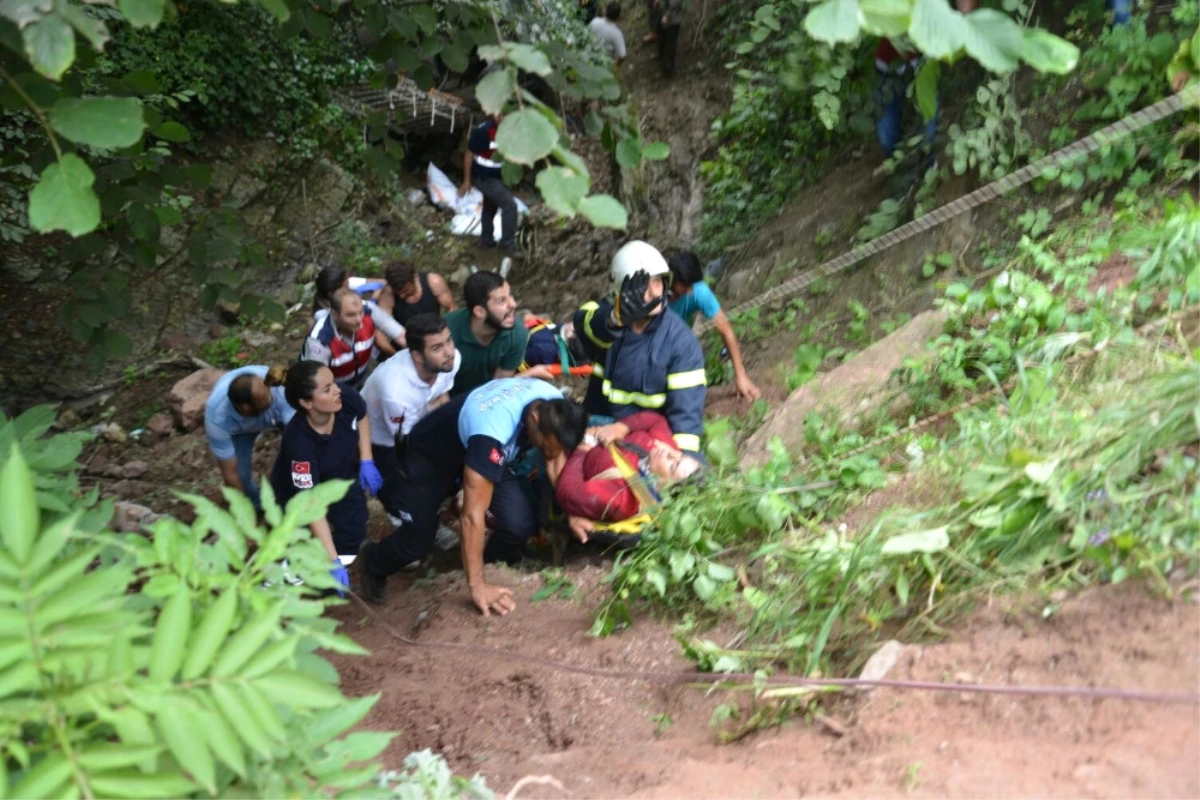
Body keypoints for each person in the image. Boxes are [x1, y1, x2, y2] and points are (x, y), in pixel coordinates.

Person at [357, 378, 589, 615]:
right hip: (429, 460)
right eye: (546, 445)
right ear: (535, 419)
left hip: (485, 453)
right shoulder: (492, 432)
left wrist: (573, 511)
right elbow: (472, 516)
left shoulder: (555, 406)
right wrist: (477, 587)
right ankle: (374, 560)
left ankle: (488, 563)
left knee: (519, 524)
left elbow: (554, 457)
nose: (549, 453)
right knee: (419, 541)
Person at [576, 240, 707, 454]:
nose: (654, 292)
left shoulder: (680, 341)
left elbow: (686, 414)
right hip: (596, 426)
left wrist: (685, 458)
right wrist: (613, 319)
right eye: (643, 286)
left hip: (644, 436)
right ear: (621, 288)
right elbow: (583, 321)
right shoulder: (608, 322)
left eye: (657, 282)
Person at [269, 361, 384, 593]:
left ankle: (331, 571)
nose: (337, 390)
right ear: (306, 402)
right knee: (298, 538)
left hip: (341, 477)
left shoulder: (344, 398)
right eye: (326, 389)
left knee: (353, 530)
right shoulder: (299, 443)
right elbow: (311, 504)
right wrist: (332, 559)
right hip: (300, 493)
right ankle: (287, 574)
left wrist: (366, 459)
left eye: (333, 383)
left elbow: (362, 417)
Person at [362, 313, 461, 517]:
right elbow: (404, 440)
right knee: (399, 482)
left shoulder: (451, 360)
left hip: (418, 413)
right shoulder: (396, 392)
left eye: (449, 341)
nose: (449, 352)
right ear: (416, 355)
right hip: (382, 437)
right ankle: (400, 514)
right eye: (437, 348)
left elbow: (442, 394)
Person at [556, 411, 701, 541]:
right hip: (605, 427)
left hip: (572, 454)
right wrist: (620, 428)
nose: (671, 453)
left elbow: (568, 491)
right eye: (681, 456)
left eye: (673, 465)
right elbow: (655, 420)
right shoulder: (664, 448)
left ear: (665, 487)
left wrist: (583, 447)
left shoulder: (621, 497)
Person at [668, 250, 761, 401]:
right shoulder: (654, 295)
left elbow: (726, 331)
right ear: (672, 280)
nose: (690, 292)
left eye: (692, 286)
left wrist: (740, 375)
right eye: (685, 286)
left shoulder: (698, 290)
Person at [204, 365, 295, 510]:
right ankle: (257, 506)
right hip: (240, 431)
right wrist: (245, 515)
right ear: (245, 408)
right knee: (241, 475)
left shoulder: (276, 388)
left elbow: (305, 436)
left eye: (268, 393)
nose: (270, 395)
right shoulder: (217, 419)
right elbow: (231, 475)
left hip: (280, 413)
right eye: (265, 399)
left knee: (299, 453)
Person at [445, 271, 529, 397]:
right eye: (501, 301)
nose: (513, 304)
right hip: (447, 397)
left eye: (510, 295)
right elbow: (435, 387)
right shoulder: (446, 332)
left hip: (484, 397)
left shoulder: (517, 333)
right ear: (479, 312)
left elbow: (498, 386)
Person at [458, 113, 519, 253]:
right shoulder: (484, 132)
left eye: (505, 114)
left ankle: (486, 240)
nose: (501, 118)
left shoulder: (511, 131)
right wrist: (467, 180)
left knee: (490, 205)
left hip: (496, 176)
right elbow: (469, 154)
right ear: (492, 115)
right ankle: (508, 244)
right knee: (510, 205)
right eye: (499, 114)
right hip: (482, 176)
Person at [313, 265, 406, 356]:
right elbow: (378, 339)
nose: (349, 285)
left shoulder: (346, 285)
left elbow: (383, 283)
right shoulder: (323, 317)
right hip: (353, 354)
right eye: (347, 285)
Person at [302, 289, 385, 388]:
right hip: (337, 387)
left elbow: (399, 334)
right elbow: (317, 382)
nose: (359, 320)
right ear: (335, 314)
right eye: (350, 315)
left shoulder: (368, 312)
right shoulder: (320, 341)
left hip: (363, 375)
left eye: (360, 312)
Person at [377, 261, 456, 327]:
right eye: (398, 293)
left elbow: (451, 309)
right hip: (405, 338)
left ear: (414, 278)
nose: (401, 296)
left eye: (405, 291)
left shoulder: (433, 282)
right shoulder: (388, 294)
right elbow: (383, 325)